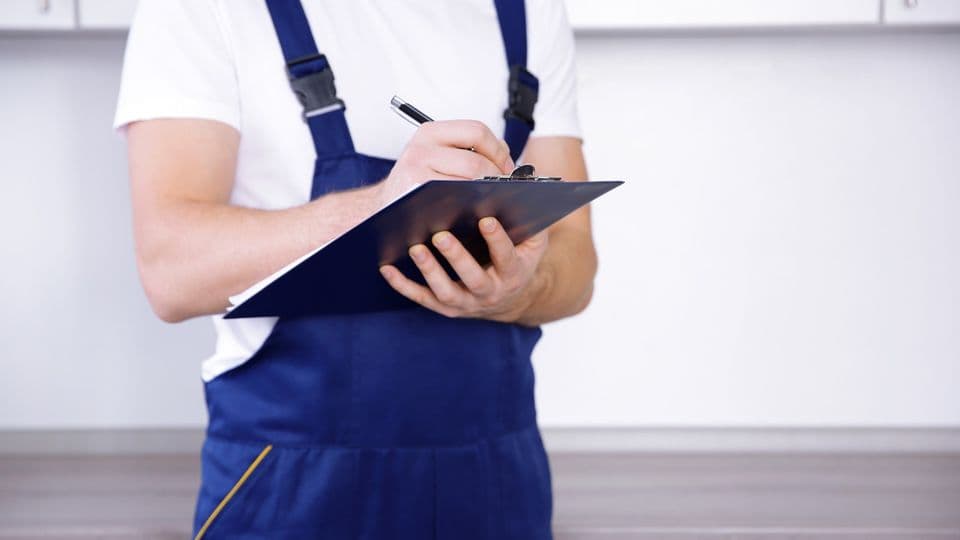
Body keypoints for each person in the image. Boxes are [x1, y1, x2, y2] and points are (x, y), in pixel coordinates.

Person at [115, 0, 597, 538]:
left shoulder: (528, 13)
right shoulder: (203, 10)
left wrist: (516, 291)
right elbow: (170, 270)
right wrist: (382, 208)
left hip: (498, 481)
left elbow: (576, 267)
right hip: (289, 484)